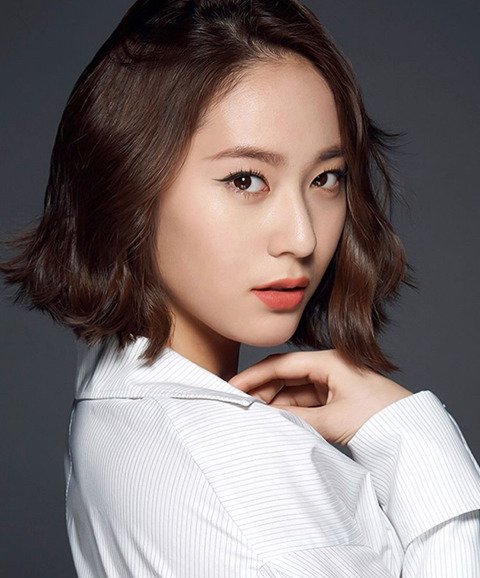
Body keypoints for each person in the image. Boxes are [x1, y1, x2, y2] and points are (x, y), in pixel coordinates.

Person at [1, 0, 479, 576]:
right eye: (246, 179)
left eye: (325, 178)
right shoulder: (229, 463)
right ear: (128, 184)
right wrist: (414, 439)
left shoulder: (120, 409)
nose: (302, 236)